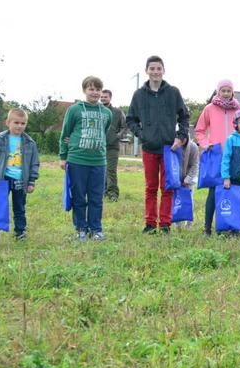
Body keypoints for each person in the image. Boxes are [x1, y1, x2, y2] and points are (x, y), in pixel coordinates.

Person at [126, 55, 190, 234]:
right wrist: (142, 134)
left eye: (158, 68)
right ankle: (150, 223)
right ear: (146, 71)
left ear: (163, 71)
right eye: (152, 68)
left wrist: (181, 136)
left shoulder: (173, 92)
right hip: (149, 148)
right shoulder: (139, 95)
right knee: (151, 187)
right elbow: (130, 119)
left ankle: (165, 224)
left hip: (170, 148)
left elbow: (184, 116)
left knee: (167, 187)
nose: (155, 72)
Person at [60, 76, 113, 241]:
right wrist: (63, 156)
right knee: (79, 196)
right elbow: (66, 133)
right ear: (84, 90)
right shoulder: (74, 110)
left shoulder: (106, 113)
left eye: (98, 89)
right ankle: (81, 229)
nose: (95, 93)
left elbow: (103, 132)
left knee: (96, 197)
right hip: (77, 160)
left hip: (98, 161)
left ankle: (96, 229)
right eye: (91, 89)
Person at [195, 80, 240, 236]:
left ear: (233, 92)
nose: (226, 93)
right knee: (213, 191)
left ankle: (231, 227)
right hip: (216, 155)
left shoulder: (238, 109)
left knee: (233, 191)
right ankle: (207, 228)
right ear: (218, 92)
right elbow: (199, 130)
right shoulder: (209, 108)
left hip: (234, 156)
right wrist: (205, 143)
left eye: (229, 90)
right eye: (223, 90)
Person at [0, 107, 39, 242]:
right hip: (1, 179)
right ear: (8, 122)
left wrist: (31, 181)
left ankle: (20, 233)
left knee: (19, 207)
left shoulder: (30, 143)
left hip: (21, 180)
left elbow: (34, 163)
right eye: (16, 122)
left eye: (23, 123)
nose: (19, 126)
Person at [100, 89, 126, 202]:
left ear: (110, 98)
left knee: (110, 170)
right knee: (100, 170)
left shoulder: (117, 112)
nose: (103, 98)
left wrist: (118, 136)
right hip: (98, 146)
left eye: (105, 97)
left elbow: (125, 126)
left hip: (112, 147)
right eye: (102, 97)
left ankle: (113, 194)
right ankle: (103, 191)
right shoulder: (97, 110)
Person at [173, 135, 199, 230]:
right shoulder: (173, 146)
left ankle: (189, 225)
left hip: (189, 180)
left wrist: (187, 179)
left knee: (189, 202)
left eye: (183, 139)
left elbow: (195, 165)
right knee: (177, 202)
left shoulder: (193, 147)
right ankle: (177, 224)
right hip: (176, 180)